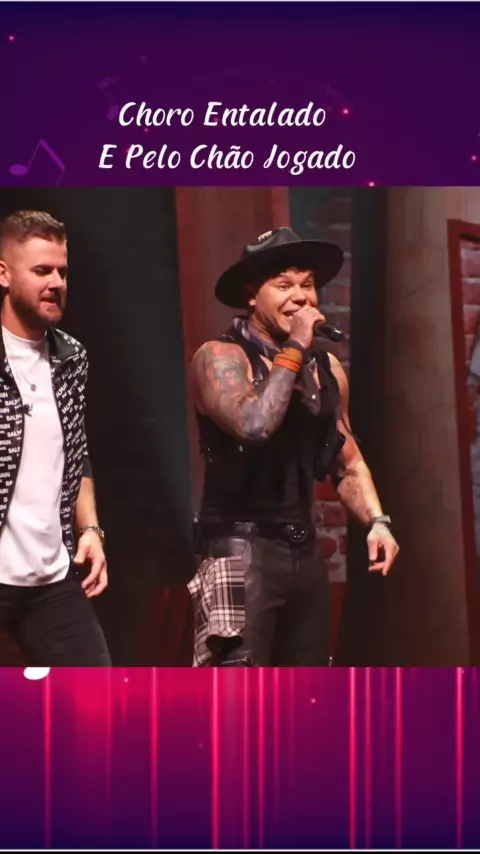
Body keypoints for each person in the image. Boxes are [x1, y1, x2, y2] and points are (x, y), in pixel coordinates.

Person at [188, 226, 400, 667]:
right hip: (238, 551)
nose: (301, 297)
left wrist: (376, 521)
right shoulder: (220, 357)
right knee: (238, 695)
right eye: (284, 286)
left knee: (309, 692)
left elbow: (347, 460)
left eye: (308, 285)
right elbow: (254, 424)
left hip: (303, 552)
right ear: (251, 295)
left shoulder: (327, 369)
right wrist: (297, 345)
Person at [0, 209, 111, 666]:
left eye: (62, 272)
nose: (56, 282)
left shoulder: (71, 357)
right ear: (4, 274)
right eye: (42, 270)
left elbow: (76, 453)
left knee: (97, 697)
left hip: (51, 576)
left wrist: (91, 531)